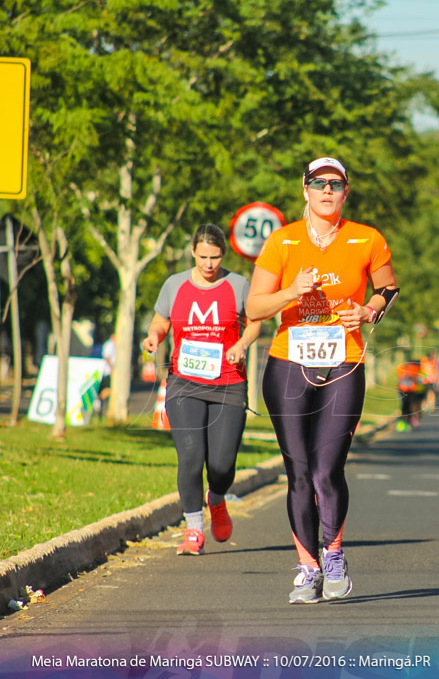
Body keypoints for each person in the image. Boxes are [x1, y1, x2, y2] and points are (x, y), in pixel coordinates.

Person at [246, 157, 398, 604]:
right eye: (319, 183)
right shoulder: (282, 241)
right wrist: (292, 292)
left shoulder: (366, 238)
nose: (327, 191)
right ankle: (307, 568)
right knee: (298, 472)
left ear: (345, 192)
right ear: (305, 190)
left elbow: (387, 288)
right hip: (288, 363)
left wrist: (369, 311)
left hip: (344, 362)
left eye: (336, 184)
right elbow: (254, 308)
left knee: (327, 469)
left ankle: (332, 556)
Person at [141, 224, 262, 556]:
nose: (209, 264)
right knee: (191, 458)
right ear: (193, 251)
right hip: (185, 383)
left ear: (224, 254)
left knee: (221, 465)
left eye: (216, 257)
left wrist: (241, 344)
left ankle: (218, 499)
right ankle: (194, 529)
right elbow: (161, 319)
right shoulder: (175, 284)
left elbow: (255, 321)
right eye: (203, 256)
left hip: (228, 383)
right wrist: (155, 336)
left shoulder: (238, 284)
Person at [396, 359, 422, 432]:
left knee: (410, 406)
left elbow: (416, 378)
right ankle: (402, 422)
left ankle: (409, 421)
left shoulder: (414, 368)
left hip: (411, 390)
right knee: (403, 406)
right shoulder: (401, 368)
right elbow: (399, 378)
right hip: (403, 389)